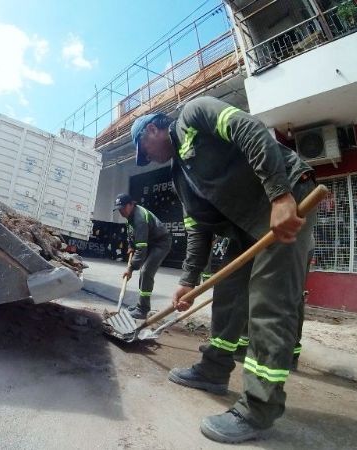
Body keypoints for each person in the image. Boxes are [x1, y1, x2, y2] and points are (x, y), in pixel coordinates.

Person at [130, 97, 317, 444]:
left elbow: (250, 130)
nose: (148, 159)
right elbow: (197, 229)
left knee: (270, 303)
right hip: (244, 226)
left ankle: (258, 409)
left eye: (144, 150)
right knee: (228, 295)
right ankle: (213, 370)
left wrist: (280, 195)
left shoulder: (194, 115)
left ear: (152, 129)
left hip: (286, 198)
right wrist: (188, 281)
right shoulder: (179, 176)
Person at [113, 193, 171, 319]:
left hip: (160, 243)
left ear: (131, 204)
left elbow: (141, 249)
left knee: (146, 271)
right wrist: (130, 246)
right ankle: (141, 305)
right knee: (144, 272)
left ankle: (143, 309)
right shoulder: (130, 216)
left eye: (123, 208)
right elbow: (131, 234)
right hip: (151, 242)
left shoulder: (139, 219)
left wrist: (130, 268)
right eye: (119, 209)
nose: (121, 212)